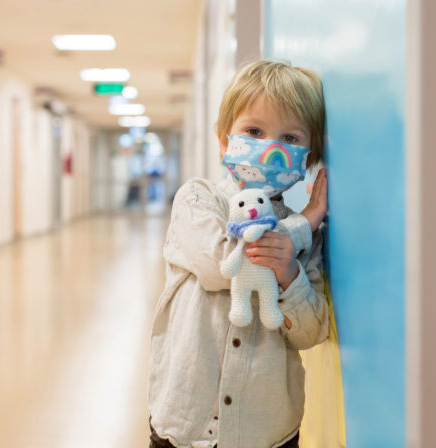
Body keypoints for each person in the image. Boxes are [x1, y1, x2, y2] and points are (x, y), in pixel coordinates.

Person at [147, 59, 329, 448]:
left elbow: (311, 331)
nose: (270, 148)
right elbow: (219, 267)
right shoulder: (197, 199)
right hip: (184, 424)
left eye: (291, 139)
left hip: (266, 431)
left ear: (309, 159)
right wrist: (301, 225)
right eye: (254, 131)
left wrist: (289, 274)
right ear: (224, 141)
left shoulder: (311, 241)